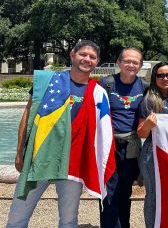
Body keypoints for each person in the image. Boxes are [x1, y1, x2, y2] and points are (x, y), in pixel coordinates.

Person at [7, 40, 102, 227]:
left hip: (72, 162)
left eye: (92, 57)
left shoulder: (97, 91)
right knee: (18, 215)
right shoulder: (47, 82)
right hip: (40, 155)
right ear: (72, 55)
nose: (87, 59)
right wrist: (19, 152)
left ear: (97, 62)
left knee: (68, 220)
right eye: (83, 54)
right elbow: (27, 115)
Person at [99, 47, 148, 228]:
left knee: (125, 191)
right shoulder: (106, 83)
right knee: (109, 192)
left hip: (131, 147)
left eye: (135, 62)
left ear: (140, 66)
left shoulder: (144, 87)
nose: (131, 65)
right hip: (108, 146)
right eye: (127, 61)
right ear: (118, 62)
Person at [137, 62, 168, 228]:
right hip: (152, 152)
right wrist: (148, 124)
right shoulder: (148, 100)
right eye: (160, 75)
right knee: (153, 195)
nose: (165, 78)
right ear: (154, 78)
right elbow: (141, 133)